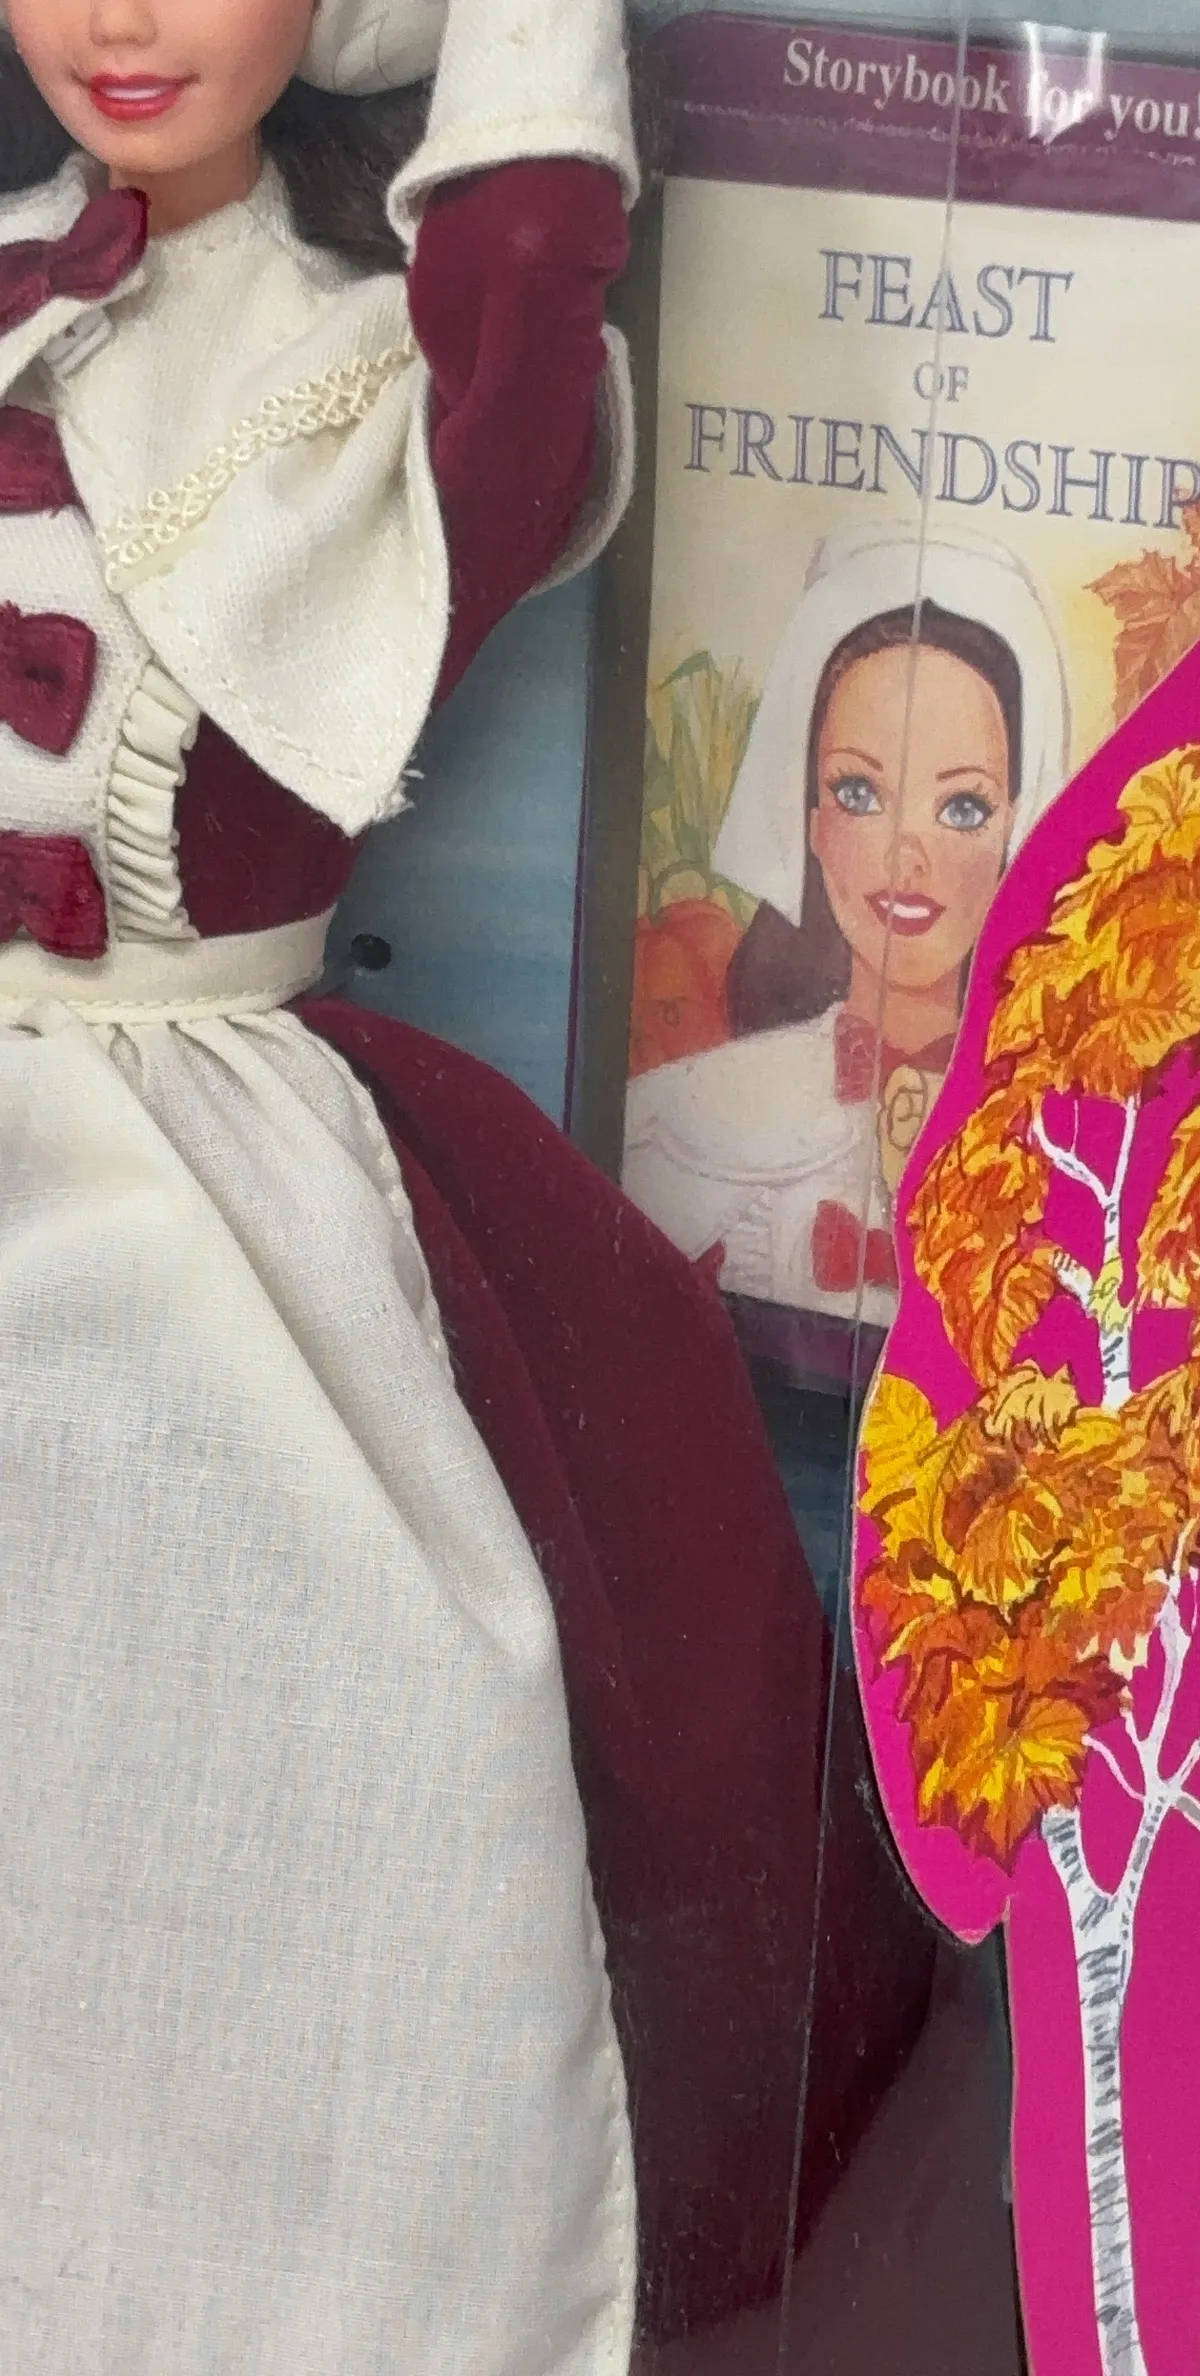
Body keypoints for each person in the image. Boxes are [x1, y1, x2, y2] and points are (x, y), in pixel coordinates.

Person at [0, 6, 976, 2368]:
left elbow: (525, 308)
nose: (123, 23)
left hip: (209, 1164)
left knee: (342, 1756)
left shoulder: (355, 372)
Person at [623, 529, 1070, 1327]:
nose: (905, 853)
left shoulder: (1073, 1131)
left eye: (962, 807)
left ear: (1016, 824)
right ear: (810, 820)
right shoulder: (692, 1122)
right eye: (858, 793)